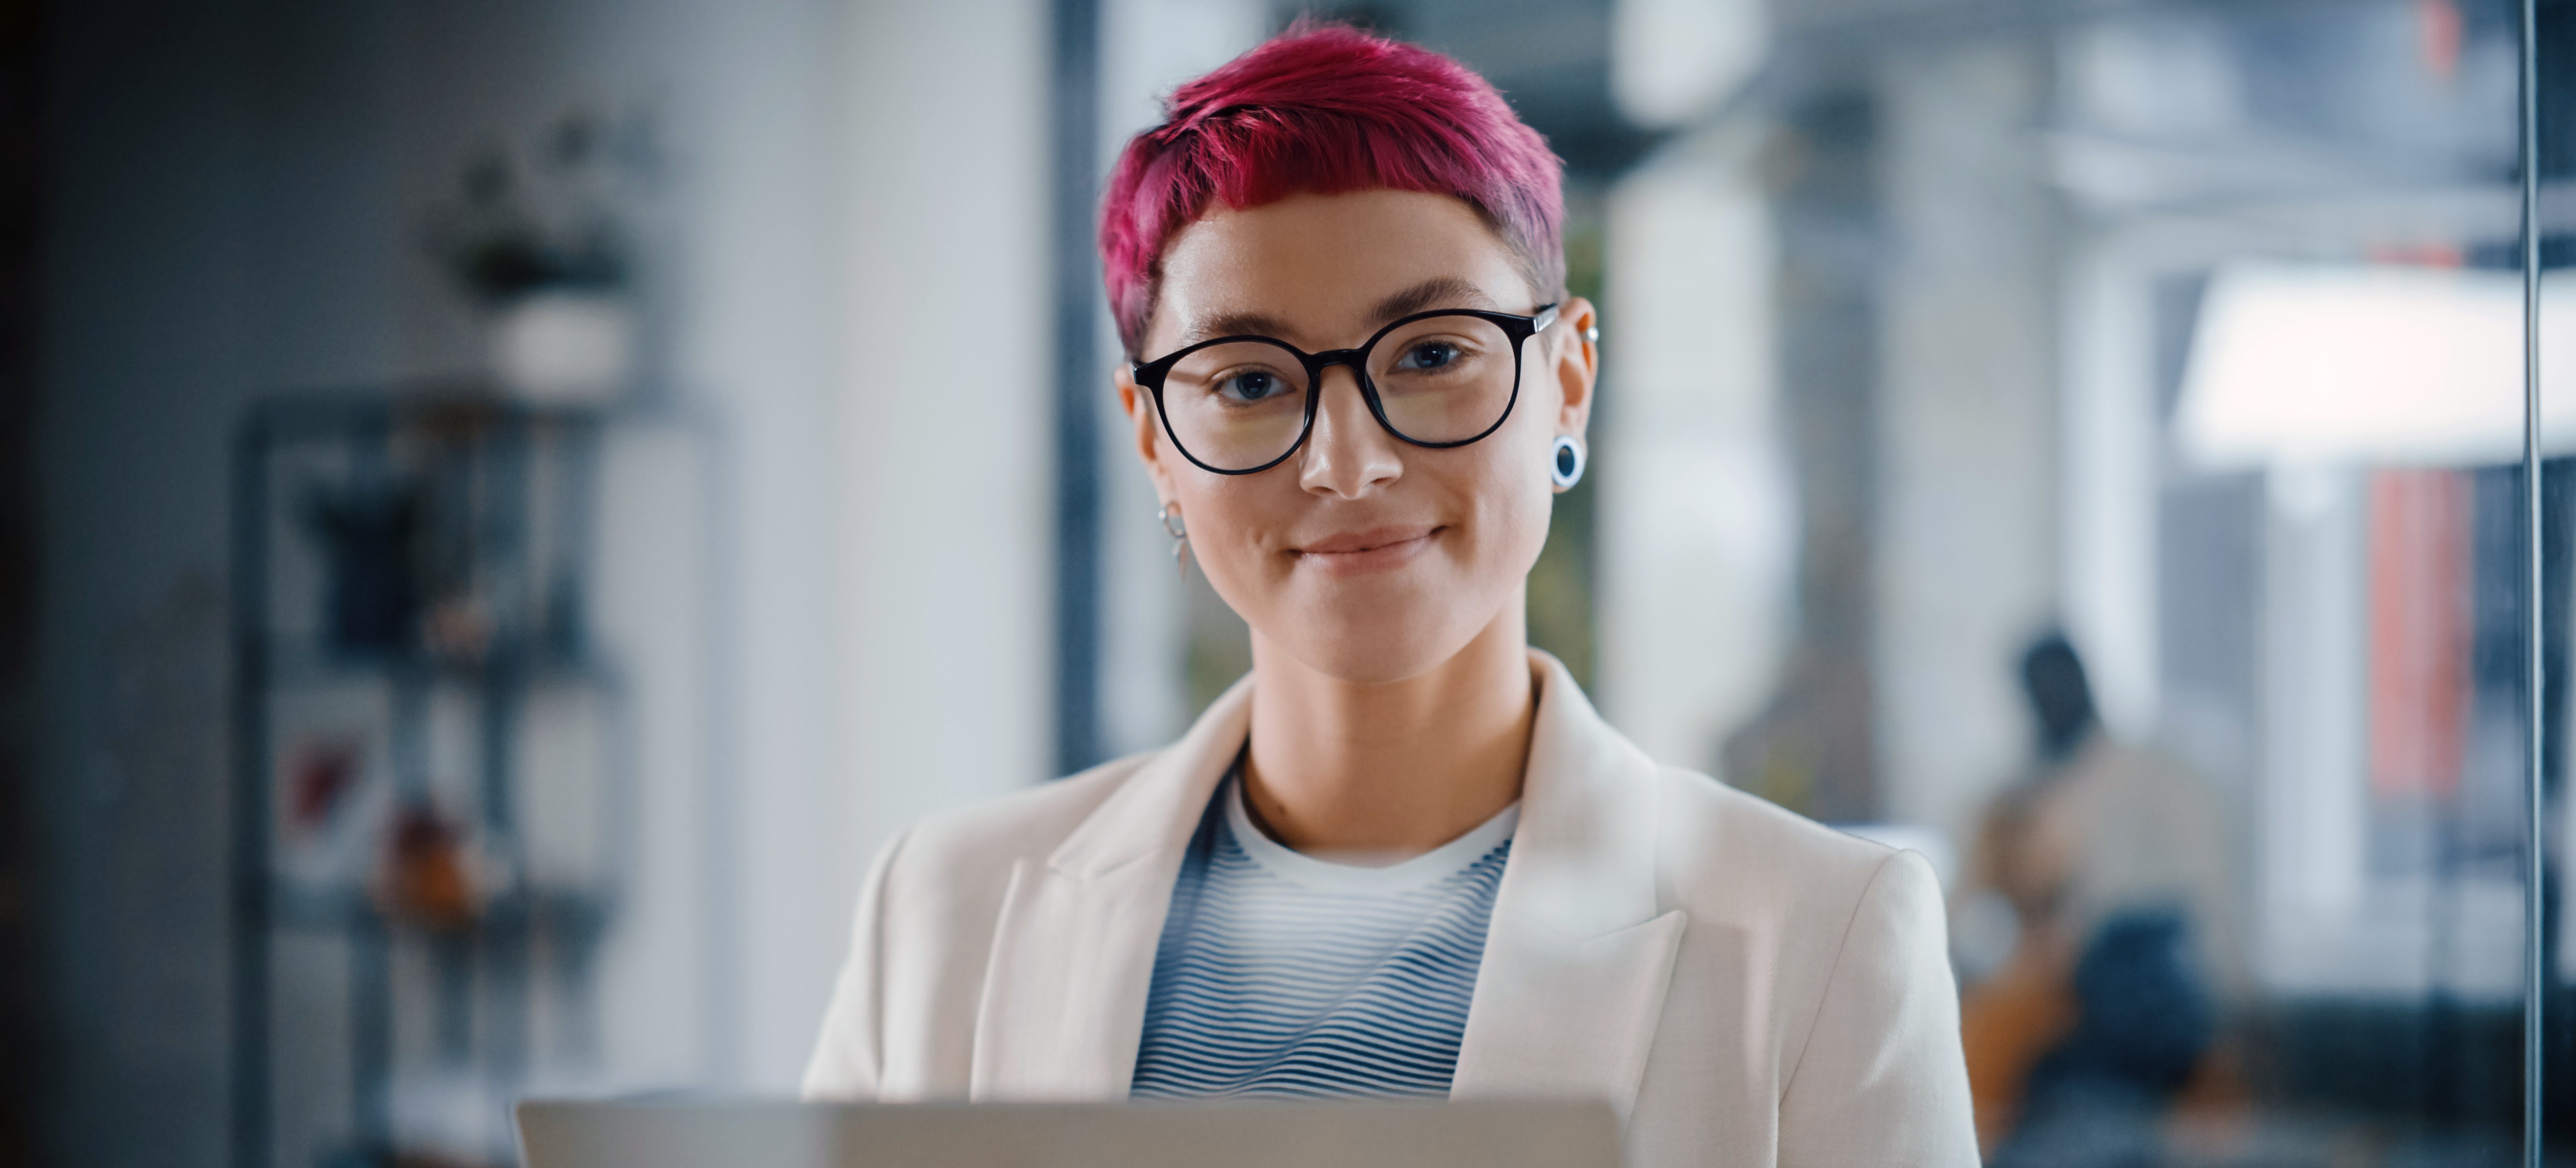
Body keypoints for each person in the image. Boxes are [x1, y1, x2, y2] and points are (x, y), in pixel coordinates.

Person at [803, 25, 1976, 1166]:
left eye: (1428, 354)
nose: (1346, 461)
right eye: (1251, 380)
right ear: (1155, 440)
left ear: (1566, 380)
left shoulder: (1824, 937)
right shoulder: (941, 914)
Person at [1955, 633, 2244, 1162]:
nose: (2048, 700)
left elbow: (2200, 905)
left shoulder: (2157, 779)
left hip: (2134, 1009)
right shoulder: (2013, 791)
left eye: (2058, 684)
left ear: (2084, 681)